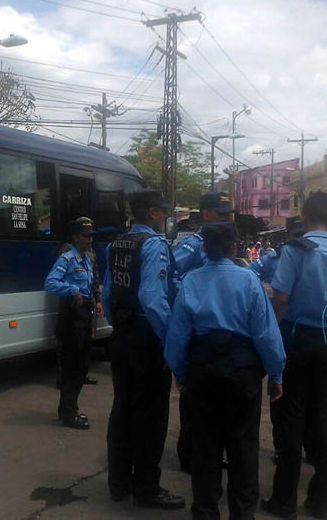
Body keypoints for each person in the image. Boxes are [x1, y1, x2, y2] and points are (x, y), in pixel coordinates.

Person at [164, 221, 286, 520]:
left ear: (204, 246)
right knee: (244, 448)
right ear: (234, 247)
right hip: (242, 375)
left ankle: (205, 512)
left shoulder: (191, 282)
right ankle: (242, 514)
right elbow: (266, 335)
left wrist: (179, 373)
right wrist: (277, 373)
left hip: (202, 374)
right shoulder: (248, 281)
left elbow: (177, 337)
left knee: (205, 449)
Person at [262, 191, 327, 519]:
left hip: (295, 339)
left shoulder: (294, 250)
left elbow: (282, 298)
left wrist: (270, 334)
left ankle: (284, 502)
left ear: (304, 216)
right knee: (324, 419)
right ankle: (319, 502)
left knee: (290, 420)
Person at [103, 188, 185, 509]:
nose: (166, 217)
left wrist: (119, 325)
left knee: (122, 410)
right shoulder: (153, 245)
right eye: (163, 212)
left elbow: (108, 293)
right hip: (147, 340)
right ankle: (146, 489)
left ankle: (118, 482)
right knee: (150, 417)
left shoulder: (117, 244)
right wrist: (171, 343)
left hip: (122, 337)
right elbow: (153, 299)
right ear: (152, 213)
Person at [174, 191, 234, 473]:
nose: (226, 218)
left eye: (228, 214)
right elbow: (169, 275)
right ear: (207, 214)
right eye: (221, 213)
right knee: (193, 402)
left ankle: (210, 451)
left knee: (218, 405)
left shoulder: (223, 240)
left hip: (223, 334)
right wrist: (191, 295)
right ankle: (189, 453)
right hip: (196, 329)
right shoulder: (191, 245)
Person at [44, 217, 101, 430]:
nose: (89, 240)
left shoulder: (86, 259)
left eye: (91, 237)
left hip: (84, 314)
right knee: (72, 367)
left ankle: (69, 409)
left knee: (83, 365)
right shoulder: (67, 259)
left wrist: (95, 301)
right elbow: (50, 283)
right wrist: (71, 290)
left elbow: (91, 282)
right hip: (71, 316)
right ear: (76, 237)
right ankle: (69, 413)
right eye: (85, 236)